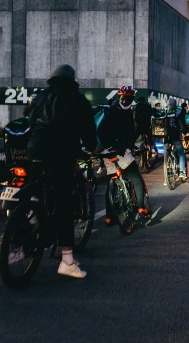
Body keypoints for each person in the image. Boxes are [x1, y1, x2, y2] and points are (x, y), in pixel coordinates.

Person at [26, 64, 97, 278]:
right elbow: (88, 129)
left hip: (35, 149)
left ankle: (32, 210)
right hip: (61, 154)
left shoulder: (41, 96)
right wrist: (91, 147)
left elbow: (30, 121)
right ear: (71, 80)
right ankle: (67, 261)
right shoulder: (77, 99)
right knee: (65, 203)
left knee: (36, 186)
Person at [98, 86, 150, 226]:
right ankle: (140, 207)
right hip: (117, 150)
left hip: (106, 152)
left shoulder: (113, 109)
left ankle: (109, 217)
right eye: (124, 99)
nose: (126, 101)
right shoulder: (119, 113)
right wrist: (116, 146)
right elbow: (124, 133)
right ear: (119, 98)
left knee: (111, 182)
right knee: (136, 178)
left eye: (129, 99)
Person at [165, 98, 188, 181]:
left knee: (166, 153)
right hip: (176, 136)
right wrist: (185, 131)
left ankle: (166, 175)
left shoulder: (165, 113)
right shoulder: (178, 113)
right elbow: (182, 124)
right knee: (181, 154)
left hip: (167, 138)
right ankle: (182, 172)